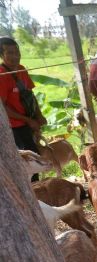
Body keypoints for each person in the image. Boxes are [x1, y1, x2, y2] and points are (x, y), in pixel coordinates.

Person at [0, 37, 46, 181]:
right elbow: (2, 108)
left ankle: (36, 188)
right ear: (2, 55)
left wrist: (38, 115)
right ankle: (33, 190)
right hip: (14, 127)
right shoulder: (2, 75)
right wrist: (28, 120)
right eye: (10, 53)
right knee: (28, 161)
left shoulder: (21, 69)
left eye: (17, 52)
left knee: (34, 155)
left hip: (27, 122)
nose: (16, 56)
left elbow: (30, 95)